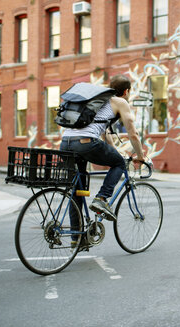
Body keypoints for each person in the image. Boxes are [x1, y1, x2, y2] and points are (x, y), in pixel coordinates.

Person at [60, 74, 145, 229]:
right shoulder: (119, 102)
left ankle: (76, 237)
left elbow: (104, 133)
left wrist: (113, 151)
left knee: (77, 191)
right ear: (126, 91)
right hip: (85, 143)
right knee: (119, 163)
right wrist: (140, 156)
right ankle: (102, 198)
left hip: (65, 143)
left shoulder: (95, 99)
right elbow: (133, 133)